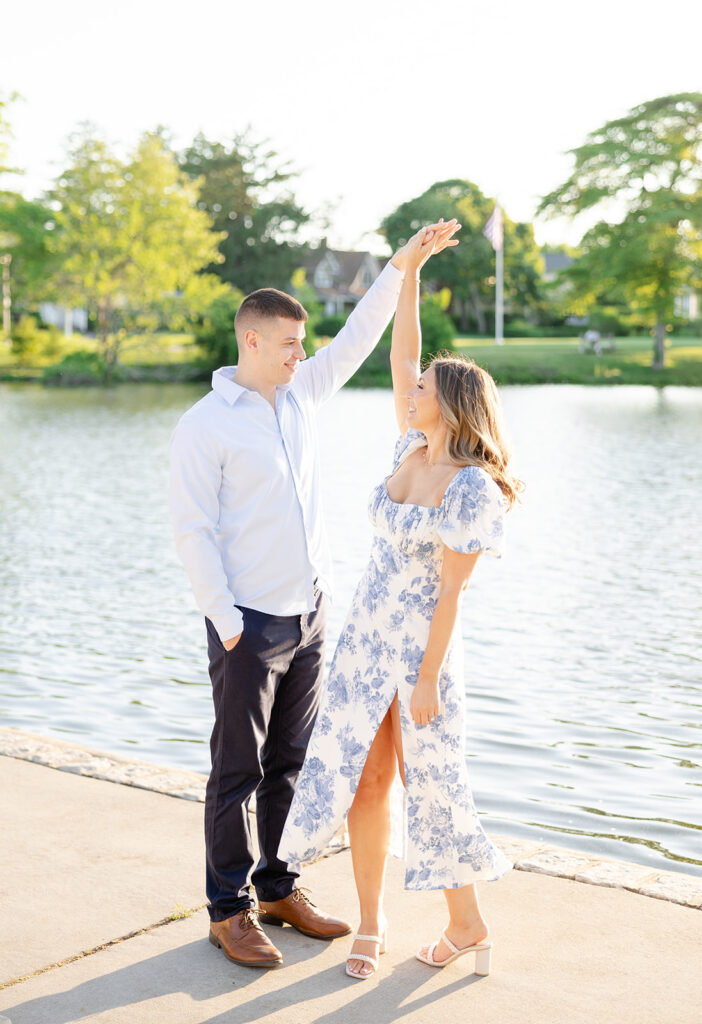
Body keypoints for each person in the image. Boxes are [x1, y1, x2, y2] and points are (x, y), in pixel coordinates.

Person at [168, 219, 459, 968]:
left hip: (310, 616)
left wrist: (401, 266)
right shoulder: (205, 427)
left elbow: (363, 339)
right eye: (291, 344)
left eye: (305, 345)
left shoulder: (300, 398)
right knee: (237, 768)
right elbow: (193, 532)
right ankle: (227, 909)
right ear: (254, 342)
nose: (305, 355)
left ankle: (277, 886)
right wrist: (228, 623)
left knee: (291, 761)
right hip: (249, 624)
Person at [278, 223, 523, 980]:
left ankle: (467, 922)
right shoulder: (405, 450)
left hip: (422, 652)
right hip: (363, 643)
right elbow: (400, 352)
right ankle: (373, 926)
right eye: (412, 386)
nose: (409, 388)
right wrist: (408, 271)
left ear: (449, 405)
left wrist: (425, 678)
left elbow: (452, 594)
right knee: (367, 776)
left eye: (422, 388)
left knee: (432, 783)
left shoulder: (471, 487)